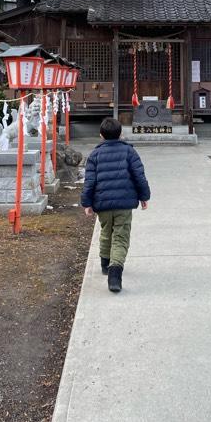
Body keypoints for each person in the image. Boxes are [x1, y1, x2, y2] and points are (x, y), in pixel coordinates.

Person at [81, 117, 150, 293]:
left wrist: (87, 202)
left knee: (106, 231)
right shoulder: (129, 152)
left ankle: (105, 263)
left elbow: (89, 182)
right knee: (120, 236)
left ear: (101, 135)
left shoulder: (95, 155)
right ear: (120, 134)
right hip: (124, 202)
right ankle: (115, 273)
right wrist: (144, 196)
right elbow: (139, 176)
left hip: (102, 202)